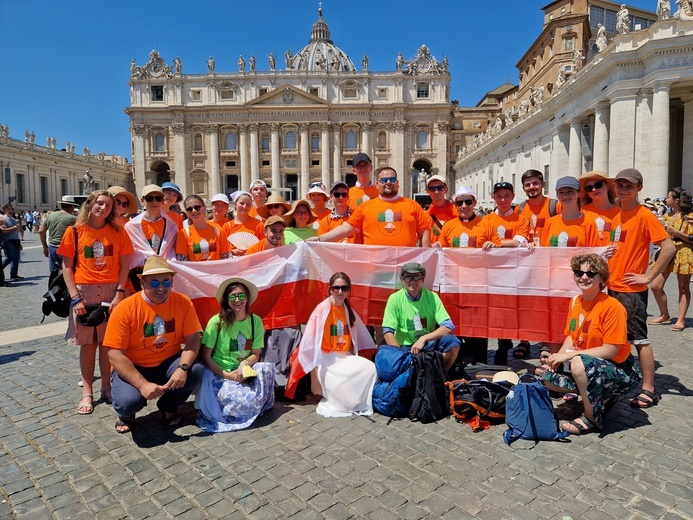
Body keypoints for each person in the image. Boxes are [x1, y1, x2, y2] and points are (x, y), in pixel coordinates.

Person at [536, 253, 641, 435]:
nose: (584, 277)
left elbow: (610, 350)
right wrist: (557, 359)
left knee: (578, 362)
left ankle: (592, 417)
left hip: (619, 369)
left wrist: (569, 355)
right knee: (547, 377)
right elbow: (571, 336)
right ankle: (601, 397)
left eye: (591, 274)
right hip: (588, 362)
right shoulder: (576, 301)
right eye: (579, 272)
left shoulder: (613, 307)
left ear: (602, 279)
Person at [104, 256, 204, 433]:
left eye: (166, 282)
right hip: (134, 366)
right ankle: (125, 415)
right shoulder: (125, 309)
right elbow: (114, 354)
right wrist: (142, 385)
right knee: (128, 402)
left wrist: (183, 367)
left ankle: (168, 406)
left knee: (195, 370)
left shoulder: (183, 302)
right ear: (142, 283)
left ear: (172, 283)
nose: (161, 288)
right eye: (154, 282)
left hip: (168, 362)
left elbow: (193, 339)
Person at [58, 190, 134, 414]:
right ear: (91, 204)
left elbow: (124, 266)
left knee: (108, 345)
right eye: (100, 203)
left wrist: (120, 292)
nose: (103, 208)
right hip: (85, 292)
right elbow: (67, 267)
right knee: (88, 345)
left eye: (108, 206)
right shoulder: (74, 231)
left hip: (111, 291)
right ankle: (87, 392)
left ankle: (107, 388)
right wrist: (75, 298)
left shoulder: (118, 232)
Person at [609, 168, 675, 409]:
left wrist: (648, 276)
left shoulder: (644, 215)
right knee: (617, 339)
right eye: (620, 185)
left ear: (639, 188)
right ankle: (621, 380)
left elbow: (668, 248)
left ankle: (649, 389)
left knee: (639, 339)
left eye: (629, 185)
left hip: (630, 290)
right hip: (612, 287)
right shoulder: (617, 216)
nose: (623, 189)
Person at [285, 272, 377, 416]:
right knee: (347, 404)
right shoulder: (321, 310)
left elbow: (359, 339)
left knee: (370, 368)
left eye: (344, 288)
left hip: (344, 357)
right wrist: (314, 379)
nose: (340, 291)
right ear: (330, 289)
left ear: (349, 290)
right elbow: (310, 347)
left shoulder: (348, 310)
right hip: (325, 361)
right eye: (336, 288)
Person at [196, 277, 275, 432]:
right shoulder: (216, 322)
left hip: (244, 370)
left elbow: (256, 353)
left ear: (247, 299)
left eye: (241, 296)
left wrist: (244, 363)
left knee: (267, 369)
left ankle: (257, 406)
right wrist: (227, 375)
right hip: (220, 372)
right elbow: (205, 357)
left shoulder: (255, 321)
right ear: (226, 300)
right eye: (232, 296)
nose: (237, 300)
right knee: (247, 401)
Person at [313, 166, 431, 247]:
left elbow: (424, 232)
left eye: (392, 179)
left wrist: (426, 259)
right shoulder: (366, 207)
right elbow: (346, 229)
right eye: (384, 180)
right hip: (375, 267)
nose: (388, 182)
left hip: (405, 270)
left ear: (398, 183)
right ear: (377, 184)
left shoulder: (412, 205)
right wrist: (318, 239)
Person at [484, 181, 532, 363]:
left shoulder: (521, 219)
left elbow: (518, 242)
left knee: (513, 309)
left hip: (514, 271)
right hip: (493, 271)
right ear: (494, 198)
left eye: (506, 196)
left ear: (512, 197)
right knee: (497, 310)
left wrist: (495, 243)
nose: (503, 199)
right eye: (499, 196)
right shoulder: (487, 219)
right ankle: (503, 343)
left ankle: (515, 340)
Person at [382, 263, 461, 370]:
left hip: (428, 344)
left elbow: (448, 326)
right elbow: (387, 331)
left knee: (453, 342)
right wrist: (399, 355)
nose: (412, 281)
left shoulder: (432, 297)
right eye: (408, 277)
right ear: (402, 280)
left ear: (422, 279)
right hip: (404, 347)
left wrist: (424, 338)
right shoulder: (394, 299)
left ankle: (441, 376)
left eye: (416, 277)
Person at [649, 188, 693, 332]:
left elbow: (691, 239)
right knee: (656, 285)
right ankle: (664, 314)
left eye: (668, 197)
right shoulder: (667, 216)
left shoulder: (690, 216)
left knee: (683, 287)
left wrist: (675, 232)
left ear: (677, 200)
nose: (665, 200)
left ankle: (680, 320)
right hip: (667, 250)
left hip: (684, 250)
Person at [124, 185, 178, 292]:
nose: (154, 202)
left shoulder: (172, 226)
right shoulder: (131, 226)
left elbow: (173, 251)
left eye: (158, 198)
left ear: (163, 201)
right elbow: (128, 255)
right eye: (149, 198)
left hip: (164, 273)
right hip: (140, 274)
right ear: (142, 201)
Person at [541, 176, 599, 248]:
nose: (565, 196)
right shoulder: (550, 223)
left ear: (579, 193)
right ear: (557, 195)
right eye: (561, 192)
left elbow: (594, 254)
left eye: (570, 192)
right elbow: (543, 252)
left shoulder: (589, 224)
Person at [176, 195, 230, 261]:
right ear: (187, 213)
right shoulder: (183, 234)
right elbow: (182, 262)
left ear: (204, 208)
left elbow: (227, 258)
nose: (194, 211)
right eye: (189, 209)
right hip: (194, 271)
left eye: (197, 207)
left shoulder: (219, 231)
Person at [516, 169, 561, 247]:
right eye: (527, 185)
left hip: (548, 252)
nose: (531, 187)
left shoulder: (555, 206)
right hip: (526, 253)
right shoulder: (519, 209)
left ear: (543, 184)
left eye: (535, 183)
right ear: (523, 188)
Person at [579, 171, 620, 246]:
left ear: (607, 187)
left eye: (598, 185)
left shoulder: (620, 213)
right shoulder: (581, 212)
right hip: (589, 256)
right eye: (589, 188)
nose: (594, 189)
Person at [39, 197, 79, 272]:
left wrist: (44, 246)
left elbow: (41, 231)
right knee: (68, 271)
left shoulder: (50, 216)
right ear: (71, 206)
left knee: (54, 272)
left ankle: (54, 283)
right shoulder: (73, 219)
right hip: (66, 247)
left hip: (52, 246)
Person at [223, 191, 266, 256]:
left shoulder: (258, 225)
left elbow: (264, 246)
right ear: (235, 204)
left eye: (248, 204)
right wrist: (232, 251)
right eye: (242, 203)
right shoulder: (227, 226)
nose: (245, 206)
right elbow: (222, 249)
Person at [425, 175, 458, 245]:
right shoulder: (425, 216)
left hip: (452, 254)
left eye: (440, 188)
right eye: (432, 188)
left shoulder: (457, 212)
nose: (436, 191)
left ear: (446, 190)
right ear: (428, 191)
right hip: (434, 253)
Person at [1, 203, 23, 280]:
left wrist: (19, 242)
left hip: (16, 241)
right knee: (9, 258)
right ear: (6, 209)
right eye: (11, 208)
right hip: (8, 241)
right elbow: (3, 231)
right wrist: (14, 228)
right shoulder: (3, 218)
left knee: (16, 259)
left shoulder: (13, 219)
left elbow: (17, 231)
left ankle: (14, 274)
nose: (13, 210)